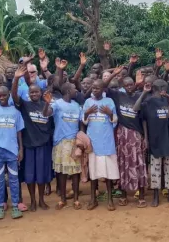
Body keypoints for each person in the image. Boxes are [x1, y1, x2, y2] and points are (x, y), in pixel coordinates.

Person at [12, 67, 54, 212]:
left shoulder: (47, 105)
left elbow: (46, 114)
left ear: (41, 92)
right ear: (28, 94)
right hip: (29, 144)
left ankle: (42, 200)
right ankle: (33, 201)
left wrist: (48, 102)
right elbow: (14, 96)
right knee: (30, 176)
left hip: (43, 144)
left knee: (41, 175)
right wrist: (16, 79)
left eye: (37, 91)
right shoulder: (24, 105)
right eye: (32, 92)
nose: (34, 93)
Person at [133, 79, 169, 207]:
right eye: (164, 88)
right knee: (155, 169)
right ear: (160, 89)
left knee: (168, 169)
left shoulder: (168, 100)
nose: (165, 90)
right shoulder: (149, 101)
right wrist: (146, 138)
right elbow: (140, 114)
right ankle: (156, 196)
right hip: (154, 138)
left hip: (167, 139)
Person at [0, 86, 24, 220]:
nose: (1, 98)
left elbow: (19, 132)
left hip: (12, 150)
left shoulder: (16, 112)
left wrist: (21, 148)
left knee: (13, 179)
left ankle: (15, 206)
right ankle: (1, 205)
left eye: (4, 95)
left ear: (9, 95)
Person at [107, 75, 147, 208]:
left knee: (138, 164)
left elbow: (143, 119)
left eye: (131, 84)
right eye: (127, 85)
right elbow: (104, 85)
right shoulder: (118, 96)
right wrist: (113, 74)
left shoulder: (140, 96)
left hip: (136, 135)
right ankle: (123, 195)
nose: (129, 87)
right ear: (123, 86)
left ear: (134, 84)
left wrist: (145, 137)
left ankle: (141, 196)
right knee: (122, 164)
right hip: (122, 135)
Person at [43, 82, 82, 210]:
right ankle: (63, 199)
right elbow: (46, 114)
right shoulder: (57, 104)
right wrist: (47, 103)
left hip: (73, 143)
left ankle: (76, 199)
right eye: (74, 88)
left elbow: (81, 124)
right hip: (60, 142)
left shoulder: (77, 106)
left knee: (76, 172)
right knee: (62, 173)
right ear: (67, 91)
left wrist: (80, 142)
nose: (76, 90)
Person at [83, 80, 119, 211]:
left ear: (103, 89)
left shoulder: (109, 101)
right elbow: (84, 121)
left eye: (97, 88)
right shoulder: (88, 102)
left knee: (108, 174)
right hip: (93, 143)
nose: (95, 90)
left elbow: (115, 121)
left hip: (106, 142)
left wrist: (110, 113)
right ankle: (93, 199)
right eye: (93, 88)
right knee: (93, 173)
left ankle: (110, 200)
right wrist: (87, 113)